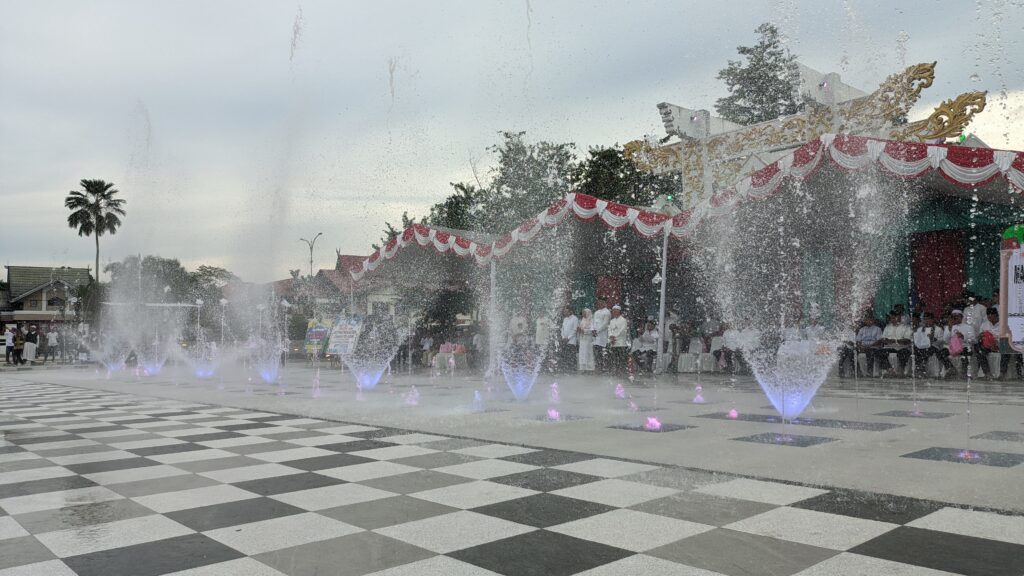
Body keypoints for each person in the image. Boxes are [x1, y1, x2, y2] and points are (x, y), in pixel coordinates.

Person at [912, 312, 954, 378]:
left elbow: (942, 340)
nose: (927, 321)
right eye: (925, 319)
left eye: (928, 319)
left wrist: (934, 339)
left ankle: (922, 368)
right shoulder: (920, 329)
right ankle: (918, 368)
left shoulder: (938, 329)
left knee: (928, 349)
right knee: (916, 349)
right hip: (922, 346)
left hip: (935, 346)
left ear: (932, 319)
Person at [874, 311, 912, 377]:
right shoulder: (887, 327)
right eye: (891, 318)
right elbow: (883, 339)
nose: (892, 320)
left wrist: (895, 341)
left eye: (894, 318)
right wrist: (886, 340)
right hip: (889, 347)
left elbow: (907, 340)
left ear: (899, 317)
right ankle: (889, 369)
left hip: (902, 347)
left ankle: (901, 370)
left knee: (904, 353)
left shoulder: (906, 327)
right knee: (878, 352)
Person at [946, 309, 976, 377]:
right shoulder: (949, 326)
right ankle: (951, 369)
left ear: (962, 317)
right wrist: (949, 329)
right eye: (954, 316)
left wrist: (963, 337)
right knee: (942, 352)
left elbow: (974, 340)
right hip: (952, 349)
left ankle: (964, 373)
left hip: (965, 347)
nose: (955, 318)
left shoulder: (968, 327)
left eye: (957, 316)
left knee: (966, 352)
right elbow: (946, 340)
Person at [606, 305, 630, 374]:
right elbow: (609, 329)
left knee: (621, 358)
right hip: (613, 342)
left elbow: (622, 330)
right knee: (614, 358)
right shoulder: (612, 321)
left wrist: (614, 337)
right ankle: (615, 371)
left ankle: (622, 372)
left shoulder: (623, 320)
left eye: (615, 310)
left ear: (619, 311)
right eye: (613, 311)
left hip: (621, 342)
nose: (614, 312)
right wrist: (611, 336)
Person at [592, 300, 611, 373]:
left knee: (602, 351)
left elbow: (605, 324)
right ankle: (598, 367)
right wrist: (593, 330)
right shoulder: (596, 312)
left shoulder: (607, 312)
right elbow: (593, 322)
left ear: (604, 303)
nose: (599, 304)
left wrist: (597, 331)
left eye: (601, 303)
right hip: (595, 335)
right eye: (598, 303)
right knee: (596, 352)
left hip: (602, 335)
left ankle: (603, 368)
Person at [559, 306, 578, 372]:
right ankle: (566, 370)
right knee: (565, 356)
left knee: (572, 356)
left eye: (566, 311)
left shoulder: (575, 318)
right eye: (564, 311)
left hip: (571, 341)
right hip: (564, 340)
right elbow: (562, 329)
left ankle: (573, 370)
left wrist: (568, 338)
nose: (565, 313)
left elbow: (574, 330)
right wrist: (563, 337)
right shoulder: (565, 319)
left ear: (570, 311)